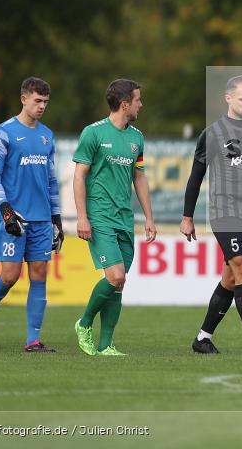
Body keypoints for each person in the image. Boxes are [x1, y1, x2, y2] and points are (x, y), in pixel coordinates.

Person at [180, 75, 242, 355]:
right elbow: (195, 177)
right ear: (228, 99)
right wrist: (187, 216)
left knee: (231, 277)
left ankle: (202, 339)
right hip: (224, 212)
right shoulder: (213, 133)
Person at [0, 77, 62, 353]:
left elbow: (52, 180)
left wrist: (56, 218)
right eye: (37, 101)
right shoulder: (4, 132)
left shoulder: (47, 135)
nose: (42, 106)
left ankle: (33, 340)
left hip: (42, 218)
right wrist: (5, 209)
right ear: (24, 99)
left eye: (45, 101)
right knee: (9, 277)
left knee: (39, 273)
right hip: (13, 218)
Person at [73, 79, 156, 357]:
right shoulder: (93, 133)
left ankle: (106, 345)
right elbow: (79, 176)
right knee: (115, 275)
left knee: (119, 284)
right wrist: (82, 217)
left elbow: (139, 177)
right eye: (138, 100)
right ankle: (84, 324)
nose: (141, 105)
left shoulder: (137, 138)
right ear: (125, 104)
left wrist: (149, 217)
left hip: (124, 218)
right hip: (99, 216)